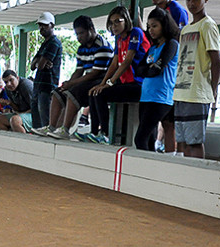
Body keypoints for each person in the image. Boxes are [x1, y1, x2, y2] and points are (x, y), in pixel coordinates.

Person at [31, 15, 113, 139]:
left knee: (73, 92)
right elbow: (79, 71)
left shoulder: (103, 46)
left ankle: (65, 130)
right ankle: (51, 126)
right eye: (77, 34)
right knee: (58, 92)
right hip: (88, 80)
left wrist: (72, 84)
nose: (79, 37)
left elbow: (95, 73)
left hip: (101, 81)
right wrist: (68, 83)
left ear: (91, 29)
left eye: (81, 33)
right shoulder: (82, 48)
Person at [85, 6, 151, 144]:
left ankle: (105, 133)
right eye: (111, 23)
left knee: (102, 94)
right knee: (94, 92)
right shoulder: (119, 39)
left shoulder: (135, 33)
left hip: (138, 84)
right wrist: (102, 83)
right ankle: (94, 132)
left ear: (125, 20)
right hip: (125, 82)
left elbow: (127, 62)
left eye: (117, 22)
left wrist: (109, 83)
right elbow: (114, 63)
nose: (113, 26)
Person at [173, 0, 220, 158]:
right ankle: (186, 176)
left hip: (197, 93)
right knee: (183, 141)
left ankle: (196, 177)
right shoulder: (186, 29)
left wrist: (213, 90)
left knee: (194, 141)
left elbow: (217, 62)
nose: (191, 3)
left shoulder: (207, 25)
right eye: (188, 0)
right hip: (181, 92)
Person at [134, 8, 180, 151]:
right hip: (146, 96)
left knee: (140, 138)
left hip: (161, 98)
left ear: (164, 25)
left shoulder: (171, 44)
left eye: (154, 26)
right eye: (149, 27)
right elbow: (138, 69)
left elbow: (156, 70)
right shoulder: (153, 48)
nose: (151, 30)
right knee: (148, 139)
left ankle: (142, 169)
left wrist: (149, 68)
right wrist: (150, 67)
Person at [29, 12, 63, 129]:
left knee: (45, 123)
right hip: (38, 85)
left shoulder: (54, 42)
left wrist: (39, 61)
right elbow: (33, 66)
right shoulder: (45, 43)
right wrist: (39, 61)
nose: (41, 28)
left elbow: (40, 65)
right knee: (36, 123)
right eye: (40, 25)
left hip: (47, 87)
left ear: (52, 25)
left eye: (44, 25)